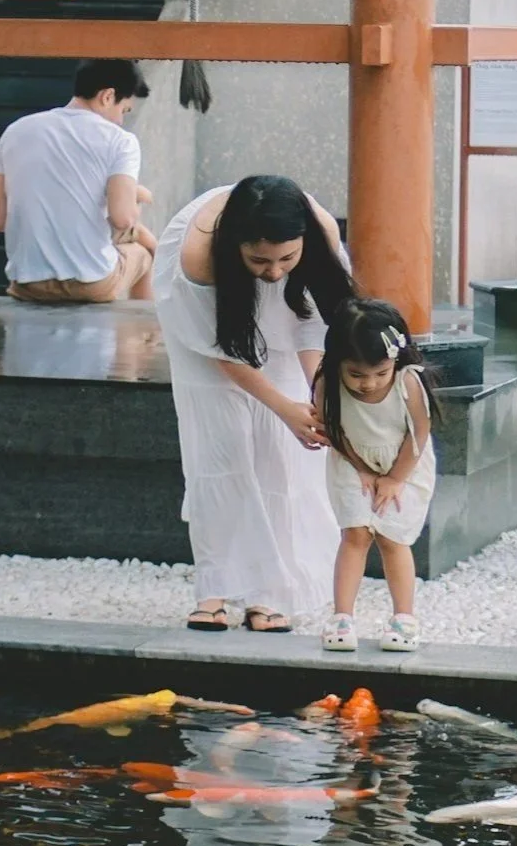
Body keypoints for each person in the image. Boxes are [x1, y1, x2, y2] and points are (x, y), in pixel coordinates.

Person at [153, 175, 355, 633]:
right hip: (207, 335)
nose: (276, 271)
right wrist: (285, 408)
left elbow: (313, 322)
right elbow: (222, 351)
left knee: (278, 459)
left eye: (288, 257)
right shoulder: (198, 258)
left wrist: (316, 394)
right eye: (261, 259)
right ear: (236, 245)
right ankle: (213, 590)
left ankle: (270, 594)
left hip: (278, 319)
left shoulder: (318, 234)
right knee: (219, 452)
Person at [314, 298, 438, 654]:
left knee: (391, 537)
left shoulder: (407, 381)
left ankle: (404, 617)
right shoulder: (327, 382)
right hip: (351, 458)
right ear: (338, 362)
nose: (368, 383)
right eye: (356, 374)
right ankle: (341, 616)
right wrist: (363, 469)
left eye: (379, 373)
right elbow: (332, 430)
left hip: (405, 462)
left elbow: (420, 433)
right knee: (355, 533)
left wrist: (395, 478)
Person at [0, 58, 155, 305]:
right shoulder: (120, 141)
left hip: (26, 285)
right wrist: (137, 197)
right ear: (107, 96)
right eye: (124, 110)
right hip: (91, 284)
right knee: (144, 254)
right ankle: (140, 337)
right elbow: (123, 219)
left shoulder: (16, 130)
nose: (120, 120)